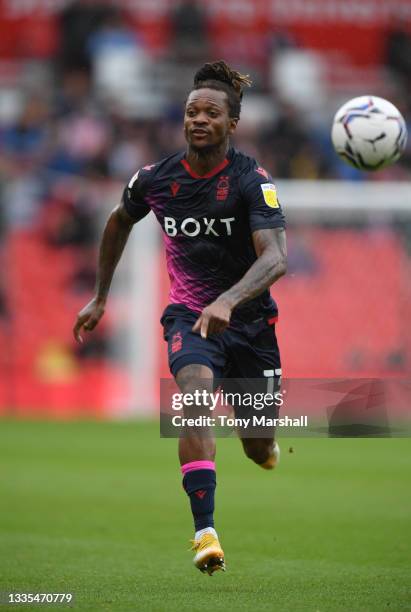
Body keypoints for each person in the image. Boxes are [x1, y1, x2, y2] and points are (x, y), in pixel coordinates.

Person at [73, 60, 287, 575]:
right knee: (192, 400)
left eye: (211, 113)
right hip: (189, 318)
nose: (199, 119)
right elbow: (117, 222)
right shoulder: (155, 178)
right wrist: (100, 296)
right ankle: (205, 532)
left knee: (258, 447)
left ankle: (263, 443)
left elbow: (276, 258)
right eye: (193, 111)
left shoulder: (251, 181)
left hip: (251, 327)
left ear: (231, 123)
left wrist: (230, 300)